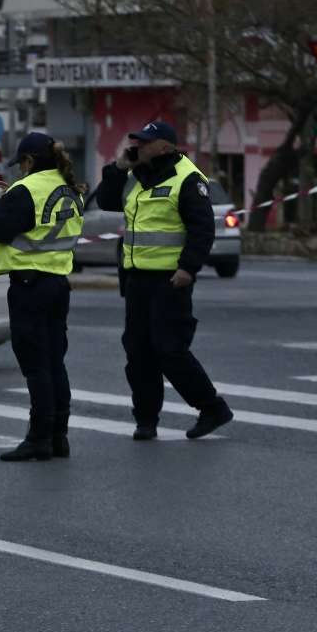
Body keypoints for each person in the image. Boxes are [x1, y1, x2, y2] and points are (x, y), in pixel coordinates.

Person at [95, 120, 234, 441]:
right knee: (138, 351)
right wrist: (118, 166)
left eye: (146, 142)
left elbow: (202, 229)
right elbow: (106, 201)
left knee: (170, 350)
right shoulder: (136, 176)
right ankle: (146, 419)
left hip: (170, 281)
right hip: (136, 279)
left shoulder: (187, 178)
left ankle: (212, 407)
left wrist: (188, 268)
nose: (139, 146)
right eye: (138, 141)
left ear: (165, 147)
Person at [0, 132, 86, 462]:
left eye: (21, 164)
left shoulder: (26, 190)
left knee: (36, 366)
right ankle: (59, 436)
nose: (19, 171)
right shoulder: (69, 187)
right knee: (55, 361)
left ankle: (39, 437)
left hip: (29, 286)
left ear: (28, 161)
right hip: (57, 284)